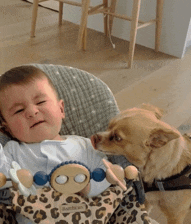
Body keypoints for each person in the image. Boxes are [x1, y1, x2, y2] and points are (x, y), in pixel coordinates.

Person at [0, 65, 111, 223]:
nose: (32, 111)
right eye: (18, 111)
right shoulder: (12, 151)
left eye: (41, 101)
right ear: (6, 128)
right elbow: (2, 179)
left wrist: (88, 188)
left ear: (61, 109)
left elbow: (109, 176)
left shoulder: (85, 145)